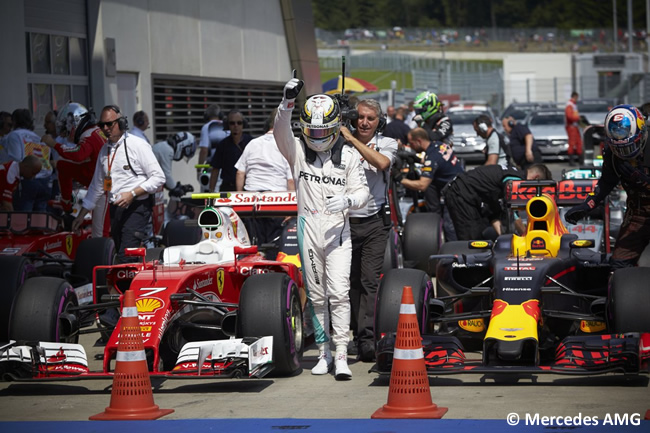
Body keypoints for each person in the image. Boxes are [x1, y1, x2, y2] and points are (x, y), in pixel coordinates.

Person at [274, 72, 369, 380]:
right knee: (316, 295)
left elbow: (363, 191)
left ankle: (342, 353)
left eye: (322, 130)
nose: (315, 136)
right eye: (311, 130)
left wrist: (348, 202)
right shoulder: (298, 151)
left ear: (333, 127)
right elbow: (279, 132)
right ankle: (324, 353)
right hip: (308, 230)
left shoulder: (350, 155)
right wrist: (287, 102)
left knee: (340, 292)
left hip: (338, 233)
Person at [338, 99, 397, 363]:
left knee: (369, 282)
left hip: (374, 222)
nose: (364, 122)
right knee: (347, 283)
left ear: (379, 122)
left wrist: (351, 139)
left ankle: (367, 339)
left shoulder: (387, 142)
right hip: (344, 221)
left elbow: (382, 163)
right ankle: (348, 335)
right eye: (360, 117)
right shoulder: (340, 139)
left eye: (370, 118)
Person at [71, 105, 165, 263]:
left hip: (137, 208)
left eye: (110, 124)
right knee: (119, 250)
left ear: (121, 123)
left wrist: (132, 194)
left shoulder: (137, 145)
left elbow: (158, 178)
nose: (105, 128)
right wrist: (81, 215)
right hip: (115, 209)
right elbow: (97, 186)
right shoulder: (104, 150)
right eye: (102, 125)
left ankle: (126, 286)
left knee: (126, 256)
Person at [565, 105, 650, 269]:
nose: (625, 153)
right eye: (620, 148)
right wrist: (588, 205)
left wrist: (643, 180)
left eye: (629, 146)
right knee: (619, 265)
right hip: (638, 213)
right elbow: (606, 182)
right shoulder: (612, 153)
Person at [42, 102, 109, 236]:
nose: (67, 134)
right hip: (98, 179)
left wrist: (54, 144)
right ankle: (67, 204)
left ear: (75, 123)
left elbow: (78, 154)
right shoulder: (96, 131)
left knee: (100, 233)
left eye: (67, 129)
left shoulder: (89, 135)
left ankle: (104, 253)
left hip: (105, 185)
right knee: (63, 166)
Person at [234, 108, 294, 250]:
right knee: (275, 244)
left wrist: (240, 198)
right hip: (277, 201)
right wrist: (291, 207)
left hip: (251, 200)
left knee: (255, 244)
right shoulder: (286, 146)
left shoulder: (253, 144)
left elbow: (240, 173)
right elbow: (290, 180)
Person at [396, 127, 464, 241]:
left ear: (419, 141)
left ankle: (453, 252)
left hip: (456, 192)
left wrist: (399, 178)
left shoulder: (432, 158)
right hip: (460, 183)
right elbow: (435, 162)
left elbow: (422, 186)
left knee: (450, 226)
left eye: (411, 143)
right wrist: (417, 160)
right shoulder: (439, 145)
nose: (410, 146)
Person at [443, 164, 524, 240]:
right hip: (461, 193)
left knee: (479, 233)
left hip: (472, 196)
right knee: (471, 238)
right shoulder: (516, 179)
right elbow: (513, 213)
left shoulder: (501, 181)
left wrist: (503, 238)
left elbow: (493, 214)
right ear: (535, 177)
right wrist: (525, 235)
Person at [1, 109, 53, 211]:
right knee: (40, 221)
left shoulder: (15, 135)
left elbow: (17, 159)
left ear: (14, 121)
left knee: (23, 220)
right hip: (45, 182)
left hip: (28, 181)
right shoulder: (37, 138)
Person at [152, 131, 196, 225]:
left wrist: (177, 187)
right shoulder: (167, 150)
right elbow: (166, 176)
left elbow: (166, 179)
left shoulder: (165, 147)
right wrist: (177, 188)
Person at [209, 110, 252, 192]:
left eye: (239, 123)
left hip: (247, 187)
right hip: (228, 187)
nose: (236, 126)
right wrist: (211, 192)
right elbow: (215, 169)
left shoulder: (251, 143)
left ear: (243, 124)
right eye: (232, 123)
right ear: (227, 125)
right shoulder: (222, 145)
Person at [565, 91, 582, 166]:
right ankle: (571, 161)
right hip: (571, 127)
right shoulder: (570, 105)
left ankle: (580, 159)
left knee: (579, 142)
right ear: (575, 96)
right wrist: (577, 118)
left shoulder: (573, 104)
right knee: (572, 143)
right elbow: (569, 116)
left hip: (575, 126)